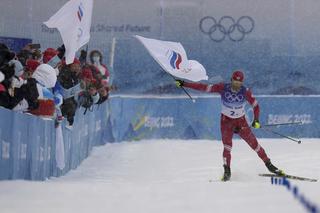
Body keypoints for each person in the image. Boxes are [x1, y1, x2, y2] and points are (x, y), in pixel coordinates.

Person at [175, 70, 283, 181]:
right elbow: (203, 87)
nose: (237, 84)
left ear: (242, 82)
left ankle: (269, 165)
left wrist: (256, 120)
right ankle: (227, 172)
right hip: (226, 122)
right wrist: (184, 84)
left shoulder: (245, 91)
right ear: (231, 80)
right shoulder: (222, 88)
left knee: (254, 144)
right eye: (235, 81)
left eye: (239, 82)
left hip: (240, 122)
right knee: (227, 147)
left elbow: (255, 106)